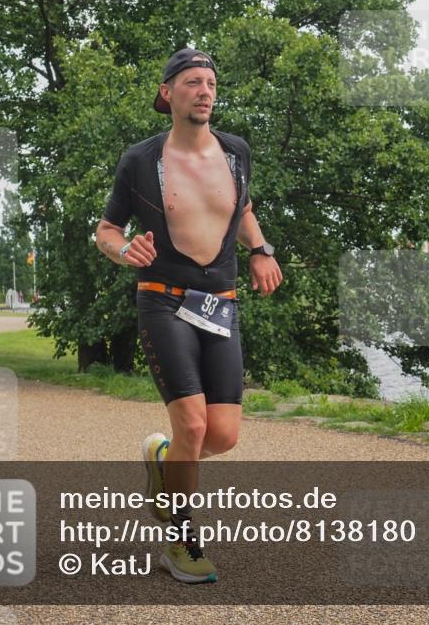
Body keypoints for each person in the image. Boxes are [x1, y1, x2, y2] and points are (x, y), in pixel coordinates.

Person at [96, 48, 282, 584]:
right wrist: (122, 248)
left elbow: (242, 209)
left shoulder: (237, 152)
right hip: (162, 298)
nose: (205, 91)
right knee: (193, 423)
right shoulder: (140, 159)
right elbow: (107, 230)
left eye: (211, 83)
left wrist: (261, 249)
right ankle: (181, 540)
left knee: (220, 436)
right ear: (168, 93)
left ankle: (161, 457)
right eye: (193, 82)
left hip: (219, 302)